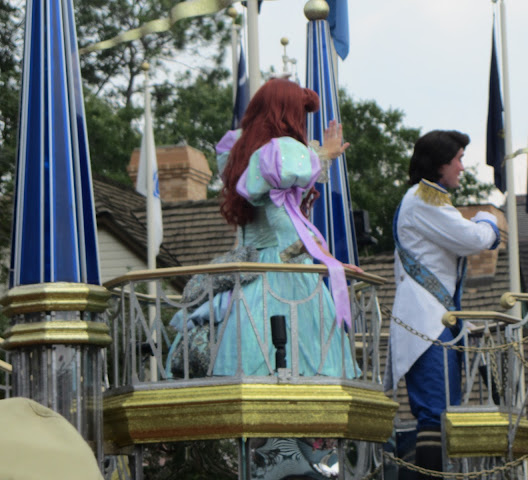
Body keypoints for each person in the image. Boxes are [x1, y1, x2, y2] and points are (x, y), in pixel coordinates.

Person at [167, 77, 360, 381]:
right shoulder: (278, 153)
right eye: (299, 114)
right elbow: (288, 231)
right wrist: (325, 259)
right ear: (287, 114)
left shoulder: (241, 151)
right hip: (282, 275)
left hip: (247, 266)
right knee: (299, 363)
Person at [384, 130, 500, 477]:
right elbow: (472, 239)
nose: (462, 168)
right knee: (433, 412)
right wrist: (488, 220)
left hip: (435, 320)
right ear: (440, 165)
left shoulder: (426, 199)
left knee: (441, 411)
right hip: (427, 323)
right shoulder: (424, 200)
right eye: (459, 159)